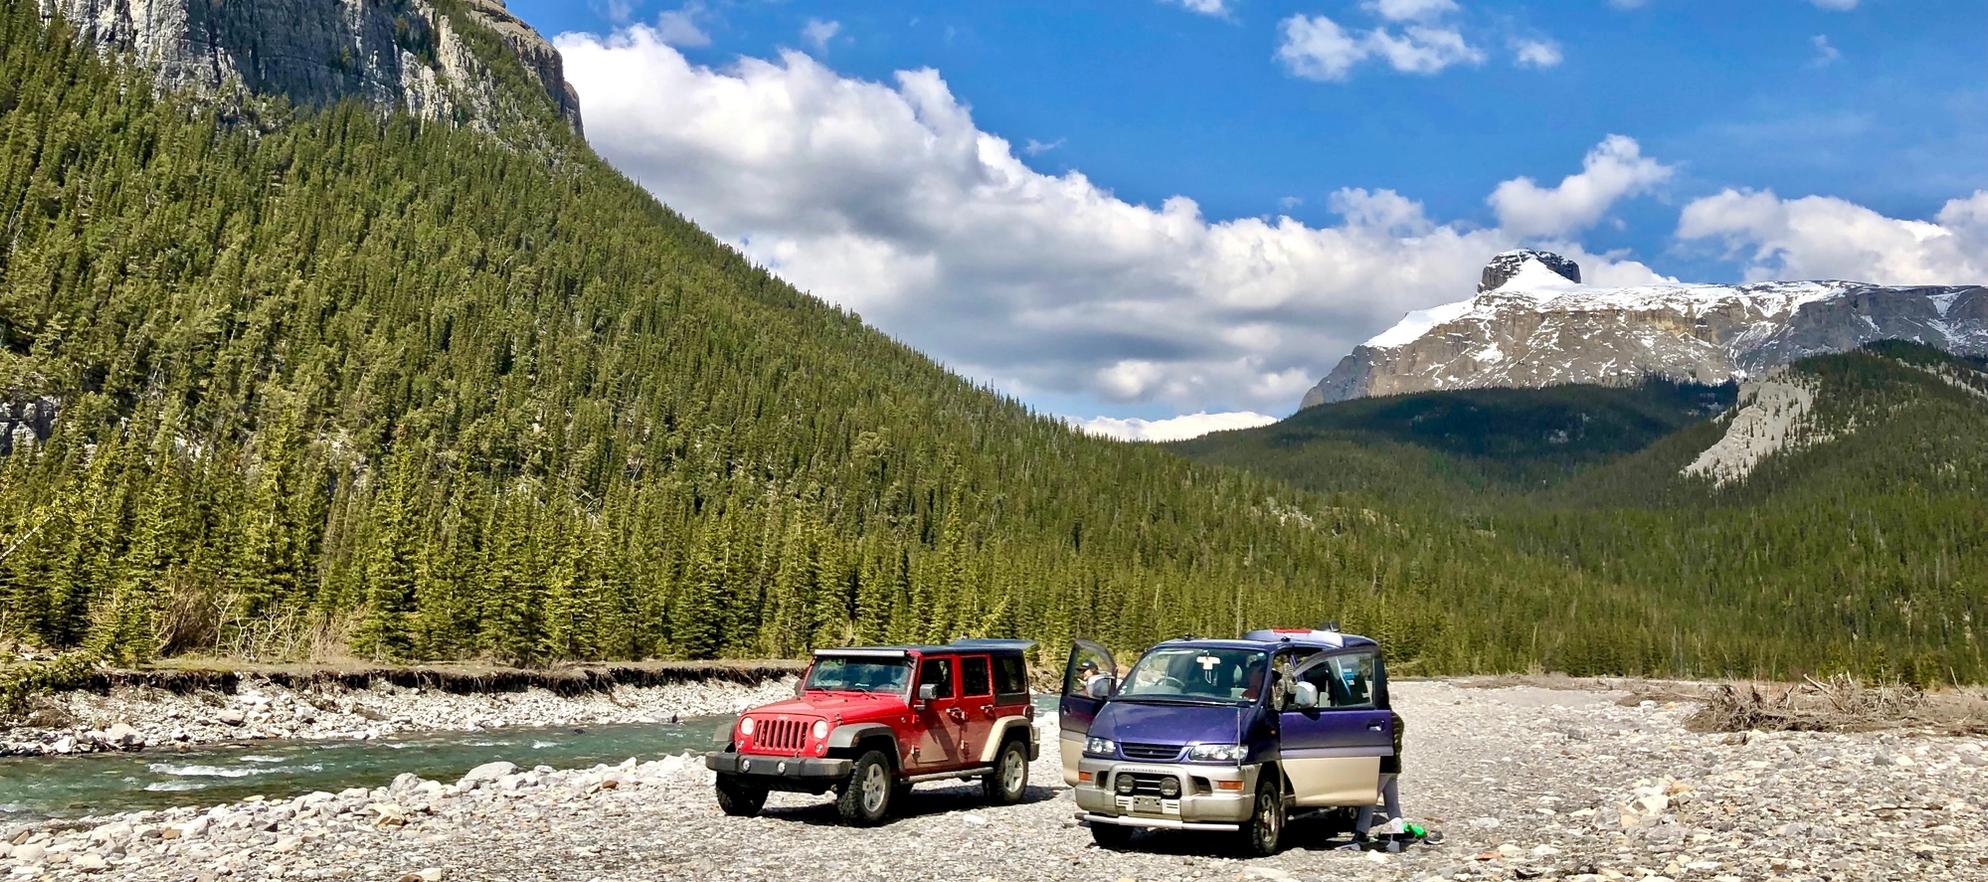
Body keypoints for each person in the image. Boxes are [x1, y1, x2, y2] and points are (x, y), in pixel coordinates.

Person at [1344, 709, 1407, 851]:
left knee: (1369, 801)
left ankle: (1360, 836)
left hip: (1381, 767)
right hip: (1394, 766)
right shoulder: (1397, 719)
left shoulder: (1378, 720)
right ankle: (1396, 841)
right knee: (1392, 804)